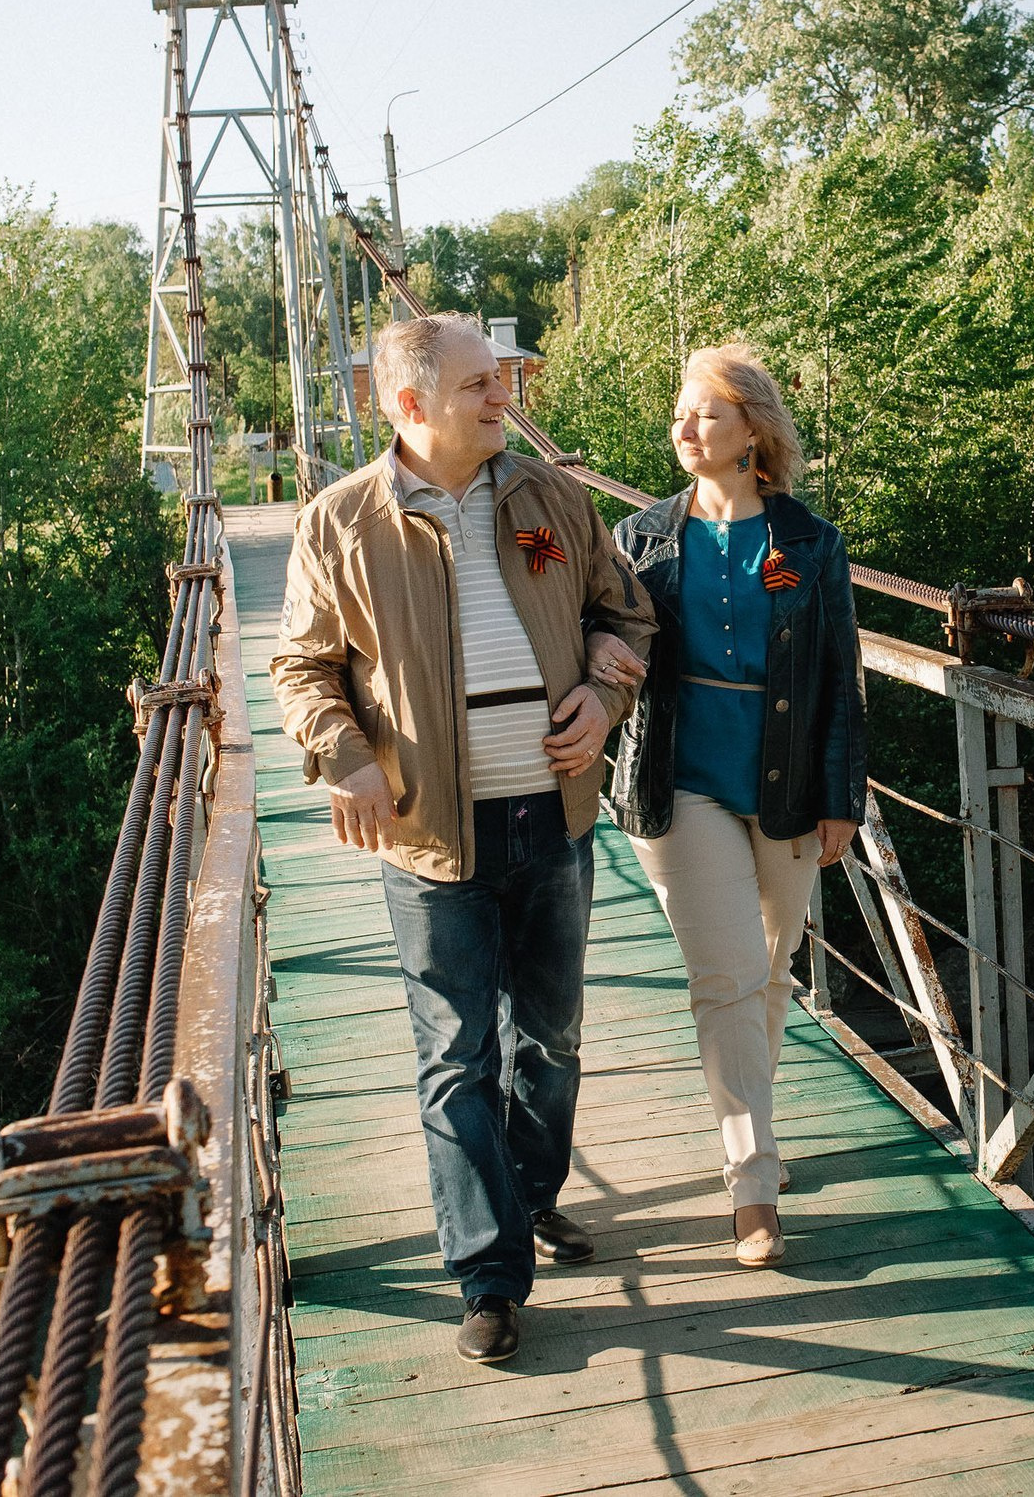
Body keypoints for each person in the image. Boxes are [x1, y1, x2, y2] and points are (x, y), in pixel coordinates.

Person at [271, 312, 655, 1366]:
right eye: (481, 383)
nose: (503, 395)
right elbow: (301, 667)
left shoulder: (552, 497)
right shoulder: (340, 524)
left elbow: (625, 618)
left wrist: (603, 695)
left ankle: (528, 1196)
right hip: (430, 832)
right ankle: (488, 1276)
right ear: (410, 404)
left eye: (501, 377)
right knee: (456, 1057)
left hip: (554, 815)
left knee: (552, 1038)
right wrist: (344, 754)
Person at [596, 343, 867, 1268]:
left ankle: (758, 1127)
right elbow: (600, 636)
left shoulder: (811, 543)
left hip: (788, 781)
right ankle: (753, 1184)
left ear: (752, 429)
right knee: (728, 974)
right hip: (683, 780)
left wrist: (841, 796)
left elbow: (839, 676)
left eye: (706, 412)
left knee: (771, 966)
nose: (685, 427)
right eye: (681, 411)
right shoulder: (639, 539)